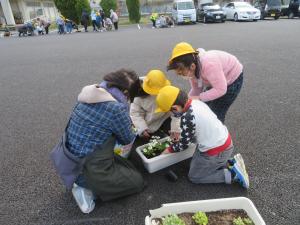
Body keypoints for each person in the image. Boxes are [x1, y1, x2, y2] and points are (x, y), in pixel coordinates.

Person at [54, 69, 144, 213]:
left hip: (69, 161)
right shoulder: (116, 108)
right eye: (129, 97)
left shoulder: (88, 95)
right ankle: (88, 189)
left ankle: (84, 183)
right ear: (126, 93)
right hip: (87, 168)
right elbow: (127, 138)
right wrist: (134, 127)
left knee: (127, 166)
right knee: (137, 181)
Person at [155, 86, 249, 188]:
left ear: (175, 108)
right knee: (196, 162)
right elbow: (194, 128)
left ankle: (231, 175)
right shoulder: (195, 102)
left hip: (216, 151)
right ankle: (227, 162)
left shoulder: (187, 118)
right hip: (223, 142)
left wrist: (168, 150)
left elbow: (183, 145)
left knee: (195, 176)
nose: (172, 114)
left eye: (171, 111)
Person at [167, 42, 244, 123]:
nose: (182, 76)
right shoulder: (191, 67)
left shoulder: (209, 65)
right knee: (203, 106)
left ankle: (219, 133)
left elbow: (221, 89)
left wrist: (199, 98)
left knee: (215, 113)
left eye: (182, 73)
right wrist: (186, 102)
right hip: (217, 78)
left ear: (192, 66)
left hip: (233, 78)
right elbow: (196, 89)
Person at [130, 70, 181, 142]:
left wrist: (175, 129)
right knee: (146, 140)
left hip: (165, 117)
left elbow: (175, 112)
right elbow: (135, 113)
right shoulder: (138, 94)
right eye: (155, 91)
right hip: (149, 123)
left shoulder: (169, 91)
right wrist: (142, 128)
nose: (157, 93)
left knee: (176, 136)